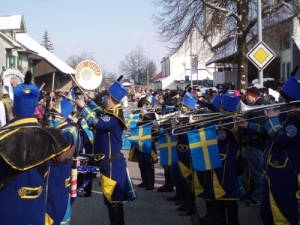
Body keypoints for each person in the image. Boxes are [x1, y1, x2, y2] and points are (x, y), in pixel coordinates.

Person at [0, 71, 70, 224]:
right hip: (37, 213)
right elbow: (61, 173)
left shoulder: (2, 137)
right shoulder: (53, 137)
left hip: (5, 211)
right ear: (35, 109)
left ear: (13, 110)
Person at [236, 73, 300, 224]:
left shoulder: (296, 120)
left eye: (285, 100)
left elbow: (280, 138)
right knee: (267, 213)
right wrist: (247, 125)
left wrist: (272, 119)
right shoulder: (287, 115)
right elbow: (268, 132)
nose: (281, 102)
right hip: (272, 173)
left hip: (286, 175)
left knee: (284, 214)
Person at [75, 80, 137, 225]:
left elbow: (97, 122)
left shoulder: (114, 117)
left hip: (112, 166)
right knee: (112, 202)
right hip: (108, 164)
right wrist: (89, 102)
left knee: (113, 200)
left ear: (110, 97)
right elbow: (99, 112)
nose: (103, 99)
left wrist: (83, 107)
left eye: (105, 97)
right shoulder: (111, 113)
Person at [45, 96, 80, 224]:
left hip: (59, 177)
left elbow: (66, 139)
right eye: (49, 115)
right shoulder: (52, 128)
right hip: (49, 178)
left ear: (64, 118)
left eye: (54, 117)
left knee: (58, 211)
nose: (49, 119)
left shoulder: (71, 128)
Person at [242, 86, 266, 207]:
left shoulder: (259, 108)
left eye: (247, 96)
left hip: (256, 146)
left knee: (258, 173)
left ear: (255, 96)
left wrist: (246, 126)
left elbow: (260, 129)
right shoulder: (255, 107)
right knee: (253, 173)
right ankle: (253, 194)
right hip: (252, 145)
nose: (246, 98)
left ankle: (258, 197)